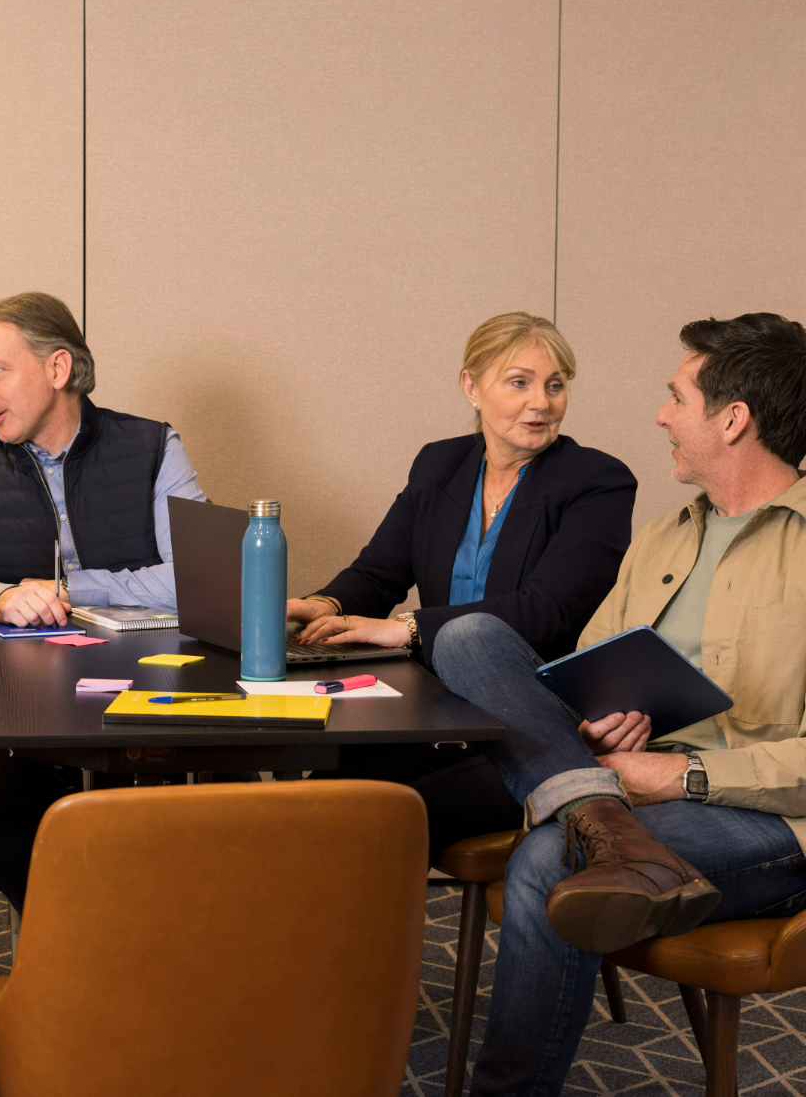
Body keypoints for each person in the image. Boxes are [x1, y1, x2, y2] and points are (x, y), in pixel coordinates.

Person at [431, 312, 806, 1096]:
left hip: (767, 818)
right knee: (467, 638)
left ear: (733, 419)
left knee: (548, 858)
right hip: (625, 780)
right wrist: (601, 715)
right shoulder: (668, 535)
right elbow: (584, 670)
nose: (662, 415)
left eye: (677, 398)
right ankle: (600, 816)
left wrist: (678, 776)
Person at [292, 313, 637, 859]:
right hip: (430, 712)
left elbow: (548, 611)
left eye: (555, 385)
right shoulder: (441, 462)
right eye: (519, 382)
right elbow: (381, 568)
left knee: (335, 819)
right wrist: (317, 604)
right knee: (291, 801)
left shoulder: (597, 481)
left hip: (528, 732)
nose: (541, 403)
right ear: (471, 386)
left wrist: (406, 629)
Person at [0, 292, 207, 908]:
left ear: (58, 368)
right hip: (30, 700)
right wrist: (1, 597)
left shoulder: (153, 446)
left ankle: (130, 970)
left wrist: (74, 591)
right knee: (5, 840)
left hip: (147, 693)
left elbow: (199, 578)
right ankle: (72, 975)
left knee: (153, 846)